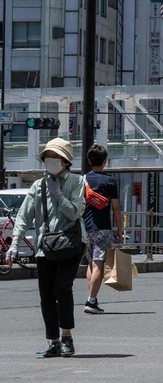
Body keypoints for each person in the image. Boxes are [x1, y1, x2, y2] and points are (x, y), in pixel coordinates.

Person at [5, 139, 84, 357]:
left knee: (63, 287)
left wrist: (58, 193)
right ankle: (53, 341)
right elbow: (24, 215)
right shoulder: (37, 186)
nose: (50, 161)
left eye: (55, 158)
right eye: (47, 158)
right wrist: (15, 243)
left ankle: (67, 336)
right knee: (46, 294)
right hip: (45, 245)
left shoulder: (77, 182)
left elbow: (75, 213)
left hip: (72, 242)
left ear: (66, 161)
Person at [81, 144, 123, 315]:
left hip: (86, 227)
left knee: (91, 263)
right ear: (105, 161)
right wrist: (120, 228)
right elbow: (116, 207)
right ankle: (91, 301)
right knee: (99, 263)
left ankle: (93, 298)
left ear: (89, 161)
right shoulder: (110, 181)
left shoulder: (83, 180)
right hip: (103, 227)